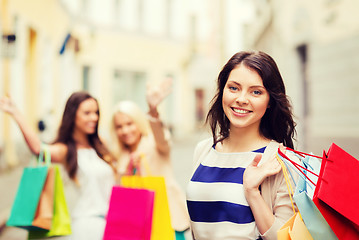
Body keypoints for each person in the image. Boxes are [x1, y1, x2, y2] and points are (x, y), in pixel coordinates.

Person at [186, 51, 298, 240]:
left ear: (270, 100)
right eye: (234, 88)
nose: (242, 99)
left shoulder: (280, 160)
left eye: (256, 92)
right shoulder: (204, 150)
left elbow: (286, 238)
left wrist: (252, 192)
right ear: (223, 91)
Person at [0, 91, 116, 240]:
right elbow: (38, 149)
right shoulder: (66, 150)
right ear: (73, 115)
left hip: (110, 223)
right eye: (87, 113)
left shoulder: (100, 145)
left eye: (96, 112)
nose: (94, 117)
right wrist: (16, 113)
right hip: (87, 225)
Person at [111, 79, 190, 239]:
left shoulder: (153, 142)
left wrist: (153, 111)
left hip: (167, 218)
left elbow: (163, 141)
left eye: (129, 124)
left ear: (139, 122)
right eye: (119, 127)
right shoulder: (120, 156)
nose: (125, 130)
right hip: (137, 224)